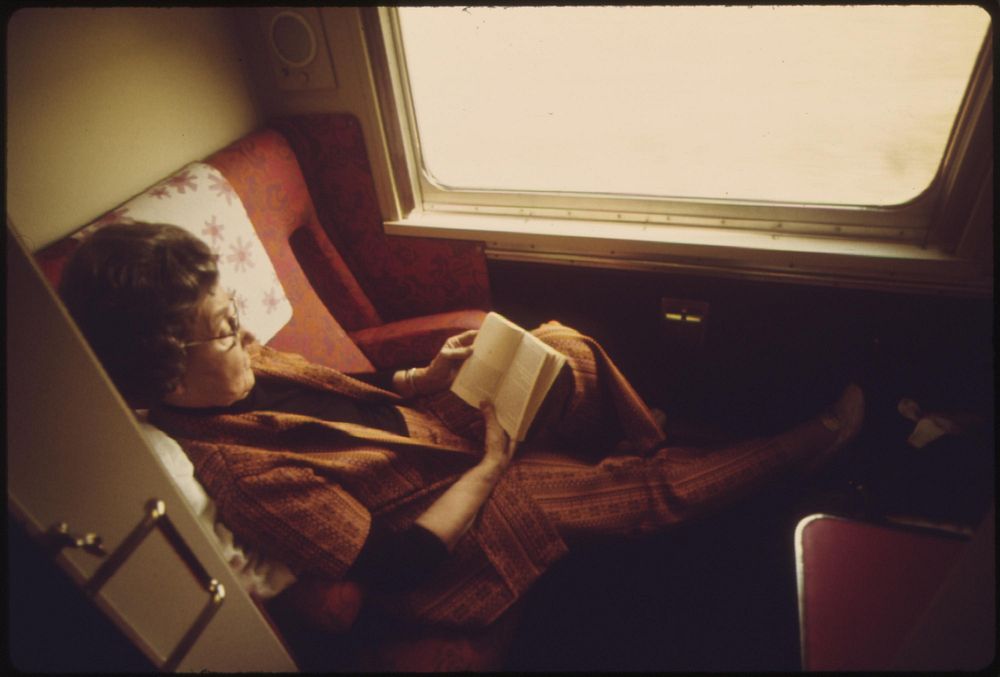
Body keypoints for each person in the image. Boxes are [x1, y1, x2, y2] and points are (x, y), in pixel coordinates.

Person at [59, 221, 864, 629]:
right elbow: (396, 562)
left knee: (561, 344)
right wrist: (492, 463)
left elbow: (345, 394)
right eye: (224, 324)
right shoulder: (242, 473)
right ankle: (803, 448)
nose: (242, 325)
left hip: (418, 436)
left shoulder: (236, 367)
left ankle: (648, 431)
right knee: (628, 493)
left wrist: (423, 378)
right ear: (165, 367)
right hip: (438, 527)